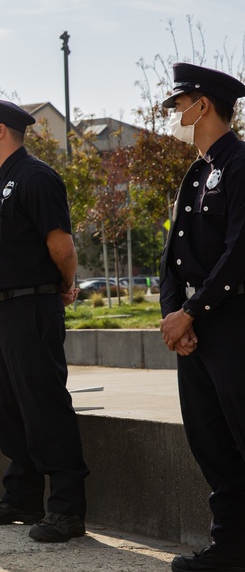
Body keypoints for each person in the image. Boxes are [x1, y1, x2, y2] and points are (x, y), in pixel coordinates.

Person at [0, 95, 88, 543]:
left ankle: (68, 509)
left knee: (43, 405)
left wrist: (65, 284)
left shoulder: (36, 177)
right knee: (7, 406)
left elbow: (62, 247)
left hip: (32, 305)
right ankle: (22, 495)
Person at [157, 63, 245, 572]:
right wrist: (175, 314)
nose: (174, 115)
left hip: (231, 323)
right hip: (194, 327)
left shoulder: (239, 164)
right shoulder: (197, 170)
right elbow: (173, 255)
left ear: (202, 105)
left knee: (242, 435)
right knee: (212, 444)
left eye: (177, 105)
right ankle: (231, 548)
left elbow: (240, 252)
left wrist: (192, 311)